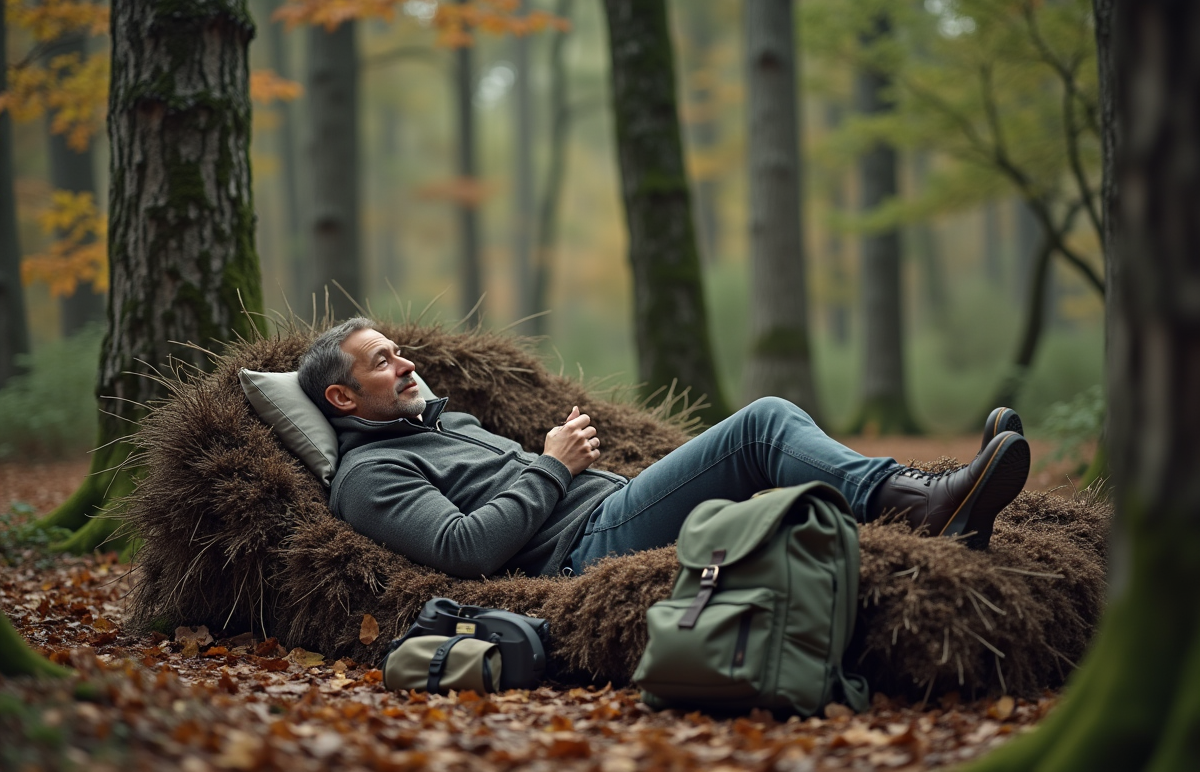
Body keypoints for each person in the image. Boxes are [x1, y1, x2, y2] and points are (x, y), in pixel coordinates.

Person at [298, 318, 1030, 580]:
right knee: (763, 422)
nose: (408, 364)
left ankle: (917, 497)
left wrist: (568, 471)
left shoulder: (441, 426)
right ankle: (918, 502)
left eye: (401, 352)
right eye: (385, 361)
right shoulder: (369, 475)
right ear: (342, 397)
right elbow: (464, 550)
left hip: (608, 508)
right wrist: (553, 465)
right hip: (586, 551)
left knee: (780, 460)